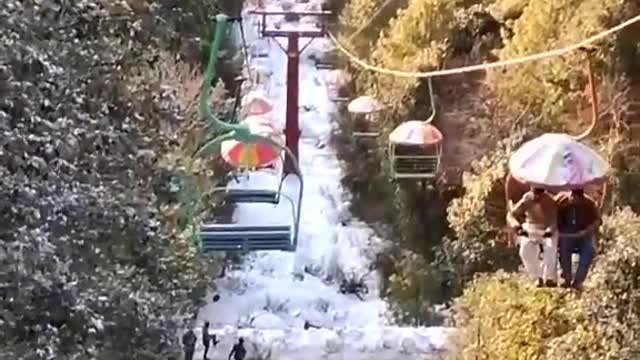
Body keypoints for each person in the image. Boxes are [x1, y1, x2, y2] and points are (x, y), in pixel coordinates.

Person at [507, 187, 559, 287]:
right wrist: (517, 227)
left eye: (539, 193)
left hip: (547, 229)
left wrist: (549, 230)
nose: (537, 196)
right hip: (531, 228)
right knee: (525, 252)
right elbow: (512, 215)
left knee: (551, 249)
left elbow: (554, 220)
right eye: (535, 193)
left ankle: (549, 278)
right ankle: (537, 276)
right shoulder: (527, 198)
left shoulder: (550, 201)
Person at [555, 189, 600, 291]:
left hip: (583, 234)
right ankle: (566, 278)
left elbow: (597, 221)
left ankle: (578, 281)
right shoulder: (561, 200)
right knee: (564, 247)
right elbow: (551, 216)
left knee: (589, 251)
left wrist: (587, 231)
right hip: (566, 233)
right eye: (572, 197)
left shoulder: (589, 203)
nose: (573, 200)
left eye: (576, 198)